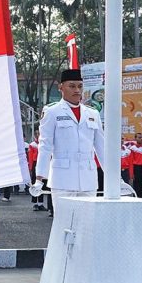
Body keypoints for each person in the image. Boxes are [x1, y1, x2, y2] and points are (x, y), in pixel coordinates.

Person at [32, 68, 104, 224]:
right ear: (61, 87)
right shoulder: (52, 112)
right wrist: (39, 178)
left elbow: (101, 147)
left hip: (88, 177)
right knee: (64, 225)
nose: (77, 90)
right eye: (72, 86)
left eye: (79, 86)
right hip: (63, 178)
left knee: (87, 225)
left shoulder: (93, 114)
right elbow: (45, 146)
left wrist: (114, 176)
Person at [128, 133, 142, 198]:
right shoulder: (132, 148)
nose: (141, 139)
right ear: (135, 138)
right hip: (137, 168)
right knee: (137, 186)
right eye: (139, 137)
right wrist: (131, 174)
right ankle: (136, 200)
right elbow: (131, 162)